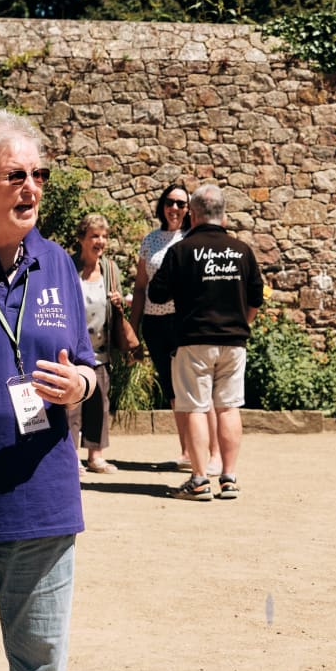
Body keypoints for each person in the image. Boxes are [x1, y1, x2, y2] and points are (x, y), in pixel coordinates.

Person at [0, 110, 97, 671]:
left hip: (41, 509)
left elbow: (90, 367)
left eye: (38, 174)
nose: (31, 187)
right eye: (14, 175)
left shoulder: (58, 264)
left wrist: (82, 388)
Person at [148, 183, 264, 501]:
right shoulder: (242, 251)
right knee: (228, 407)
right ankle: (228, 478)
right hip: (234, 341)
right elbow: (256, 297)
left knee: (195, 408)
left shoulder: (181, 251)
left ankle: (199, 481)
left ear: (193, 214)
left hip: (193, 340)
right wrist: (241, 324)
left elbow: (156, 293)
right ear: (223, 216)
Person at [129, 183, 221, 475]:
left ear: (190, 210)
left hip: (186, 323)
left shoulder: (194, 238)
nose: (175, 209)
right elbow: (141, 287)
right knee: (173, 391)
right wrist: (133, 329)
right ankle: (187, 451)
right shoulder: (151, 240)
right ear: (162, 205)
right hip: (156, 324)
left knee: (200, 390)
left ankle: (215, 454)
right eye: (170, 202)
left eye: (182, 204)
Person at [67, 213, 131, 473]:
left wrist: (117, 303)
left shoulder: (110, 269)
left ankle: (96, 456)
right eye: (94, 236)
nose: (100, 241)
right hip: (72, 350)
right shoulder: (69, 266)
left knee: (99, 402)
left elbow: (113, 309)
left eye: (104, 236)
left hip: (101, 348)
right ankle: (71, 456)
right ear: (82, 239)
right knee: (71, 406)